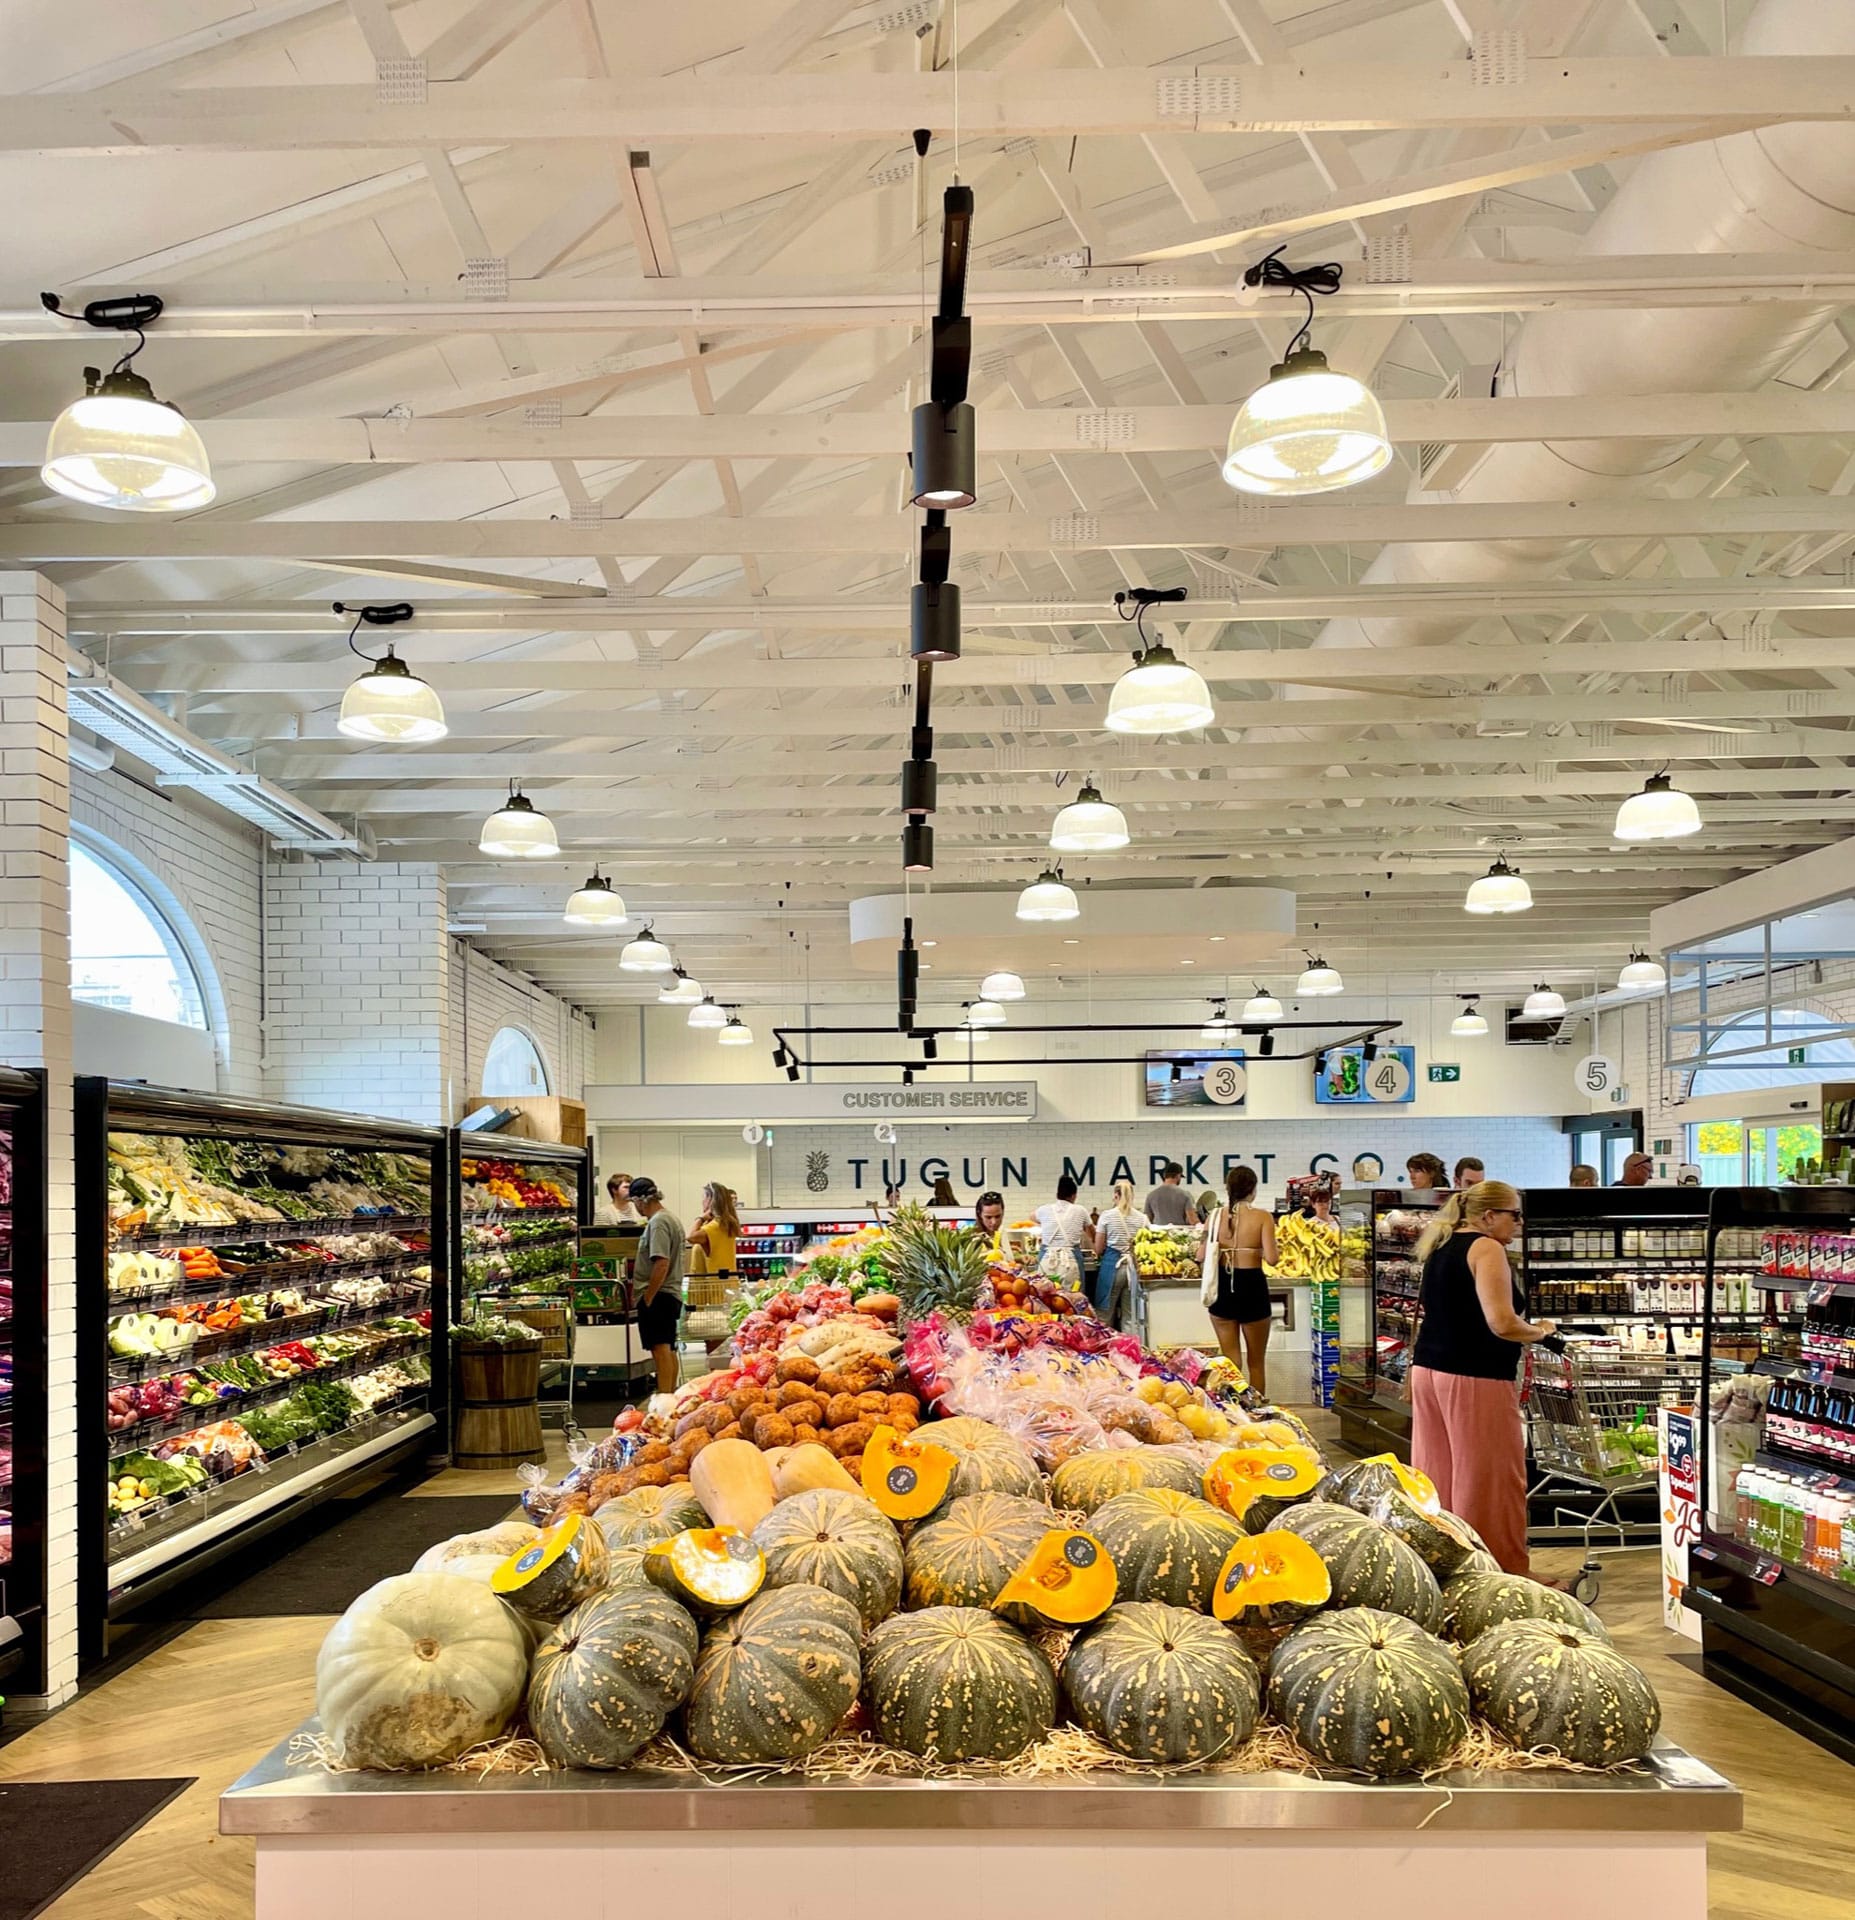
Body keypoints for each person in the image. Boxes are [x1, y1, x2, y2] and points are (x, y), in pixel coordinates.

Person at [1409, 1181, 1556, 1575]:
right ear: (1489, 1216)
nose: (1520, 1223)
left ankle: (1445, 1566)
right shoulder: (1486, 1247)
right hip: (1474, 1375)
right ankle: (1502, 1573)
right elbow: (1503, 1323)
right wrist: (1541, 1330)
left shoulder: (1440, 1245)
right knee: (1489, 1480)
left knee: (1439, 1476)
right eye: (1515, 1214)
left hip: (1428, 1370)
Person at [1204, 1166, 1277, 1392]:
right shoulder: (1263, 1217)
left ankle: (1236, 1412)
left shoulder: (1214, 1217)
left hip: (1223, 1288)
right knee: (1256, 1363)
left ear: (1228, 1189)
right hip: (1252, 1286)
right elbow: (1273, 1259)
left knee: (1230, 1362)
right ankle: (1256, 1413)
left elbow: (1199, 1254)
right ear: (1253, 1190)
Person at [629, 1176, 686, 1395]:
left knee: (660, 1349)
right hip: (668, 1294)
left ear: (640, 1199)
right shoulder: (670, 1218)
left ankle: (664, 1399)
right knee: (668, 1348)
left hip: (660, 1295)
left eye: (635, 1202)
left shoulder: (659, 1222)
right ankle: (670, 1396)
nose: (636, 1208)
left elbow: (661, 1263)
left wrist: (649, 1297)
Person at [1093, 1179, 1147, 1326]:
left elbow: (1098, 1248)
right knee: (1131, 1315)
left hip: (1112, 1267)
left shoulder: (1107, 1216)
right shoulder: (1142, 1219)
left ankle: (1105, 1346)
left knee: (1105, 1312)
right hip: (1134, 1270)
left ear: (1116, 1195)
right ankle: (1130, 1346)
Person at [1033, 1175, 1092, 1290]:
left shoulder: (1044, 1209)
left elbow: (1031, 1217)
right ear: (1074, 1196)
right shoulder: (1080, 1210)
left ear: (1057, 1195)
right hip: (1071, 1258)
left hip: (1047, 1257)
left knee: (1045, 1298)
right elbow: (1092, 1232)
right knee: (1074, 1300)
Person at [686, 1180, 739, 1282]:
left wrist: (700, 1218)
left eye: (704, 1198)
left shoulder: (716, 1226)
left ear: (711, 1200)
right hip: (722, 1287)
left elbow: (690, 1237)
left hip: (713, 1290)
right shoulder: (722, 1224)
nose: (702, 1201)